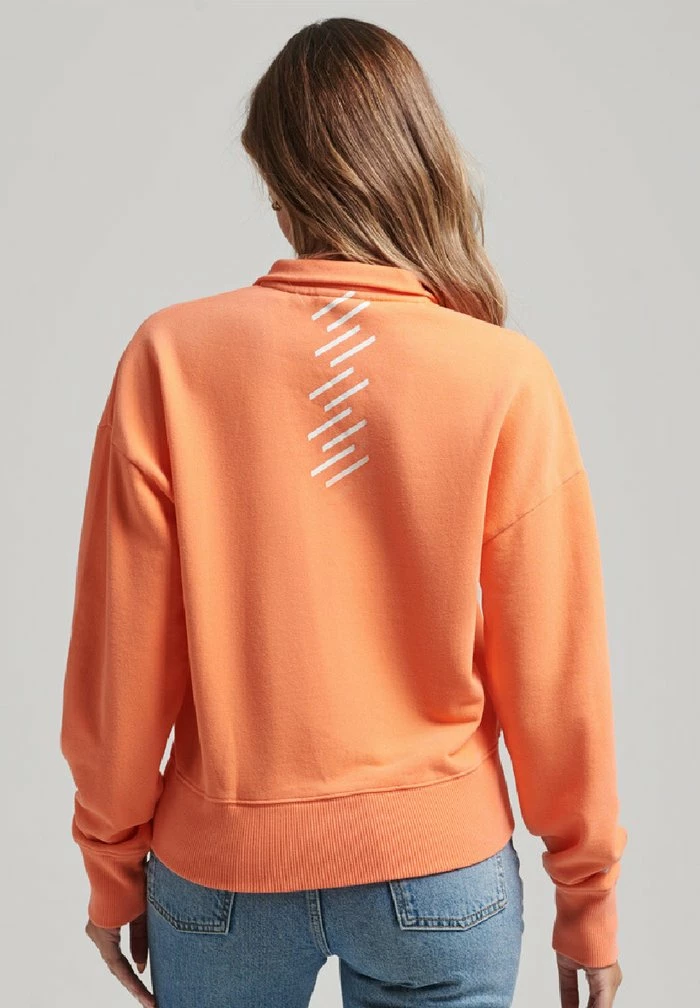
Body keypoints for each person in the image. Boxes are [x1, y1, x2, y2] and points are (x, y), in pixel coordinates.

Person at [59, 16, 627, 1008]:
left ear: (281, 184)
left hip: (221, 875)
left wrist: (111, 866)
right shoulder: (503, 376)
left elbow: (121, 661)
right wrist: (589, 899)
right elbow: (556, 671)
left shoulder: (171, 359)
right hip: (438, 872)